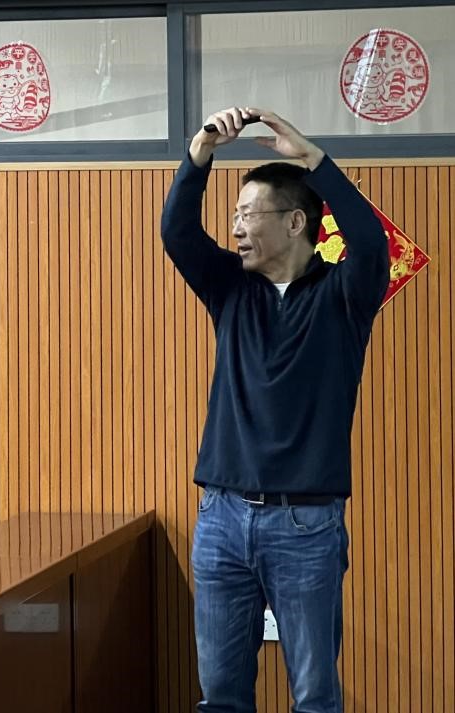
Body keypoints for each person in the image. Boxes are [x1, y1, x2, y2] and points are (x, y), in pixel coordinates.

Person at [161, 107, 390, 712]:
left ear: (295, 222)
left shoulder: (344, 296)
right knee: (221, 695)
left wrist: (313, 159)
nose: (236, 228)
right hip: (221, 518)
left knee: (314, 697)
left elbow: (372, 244)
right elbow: (177, 233)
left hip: (306, 525)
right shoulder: (230, 288)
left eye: (248, 215)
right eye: (234, 216)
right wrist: (200, 154)